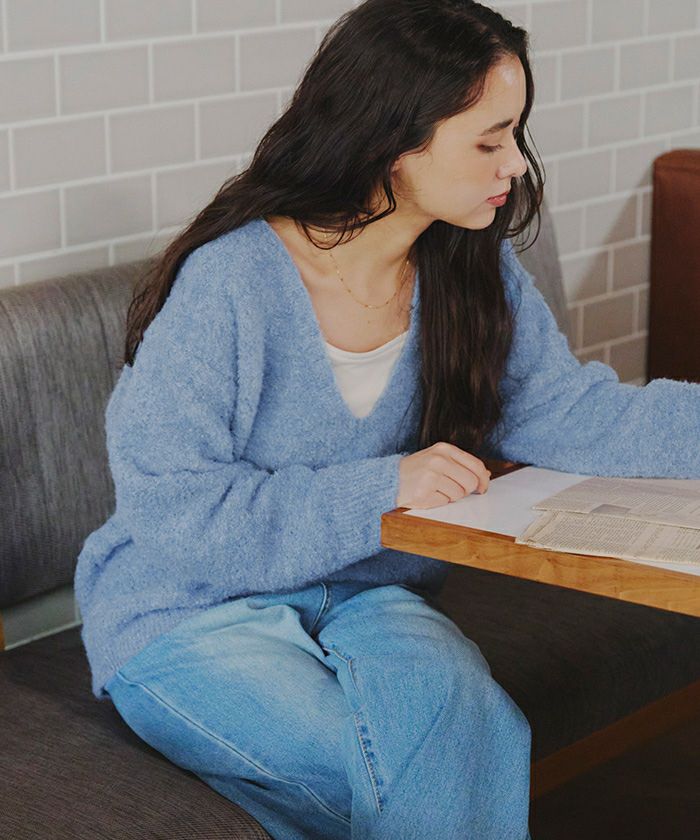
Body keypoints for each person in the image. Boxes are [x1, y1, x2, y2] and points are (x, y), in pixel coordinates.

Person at [73, 1, 700, 839]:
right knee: (396, 768)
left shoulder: (471, 268)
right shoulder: (230, 284)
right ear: (394, 141)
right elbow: (176, 514)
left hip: (374, 596)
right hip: (187, 608)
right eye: (488, 141)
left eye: (515, 135)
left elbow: (575, 414)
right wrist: (385, 488)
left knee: (473, 733)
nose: (515, 163)